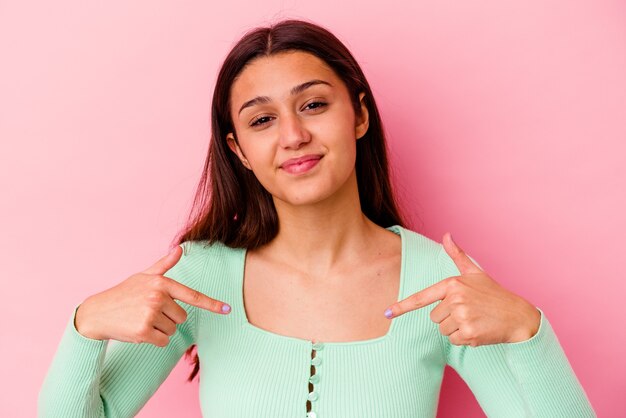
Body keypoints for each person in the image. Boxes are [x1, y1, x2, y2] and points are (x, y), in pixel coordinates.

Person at [38, 18, 596, 418]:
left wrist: (529, 331)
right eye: (261, 120)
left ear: (358, 114)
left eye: (313, 104)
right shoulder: (197, 280)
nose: (293, 136)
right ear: (237, 150)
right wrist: (84, 326)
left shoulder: (437, 285)